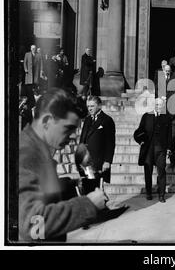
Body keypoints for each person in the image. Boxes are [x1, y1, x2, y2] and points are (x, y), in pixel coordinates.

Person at [19, 88, 108, 241]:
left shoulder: (34, 148)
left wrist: (67, 186)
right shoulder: (28, 154)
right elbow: (32, 225)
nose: (74, 137)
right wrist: (88, 205)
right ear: (47, 121)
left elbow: (36, 192)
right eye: (69, 129)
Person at [133, 98, 172, 202]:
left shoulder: (167, 118)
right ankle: (149, 193)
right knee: (148, 171)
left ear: (163, 106)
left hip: (161, 149)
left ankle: (161, 195)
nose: (157, 106)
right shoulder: (146, 116)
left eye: (159, 105)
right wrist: (140, 141)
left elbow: (170, 135)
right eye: (156, 104)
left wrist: (169, 148)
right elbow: (138, 132)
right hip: (148, 148)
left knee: (162, 172)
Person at [79, 96, 116, 183]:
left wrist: (107, 161)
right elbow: (82, 139)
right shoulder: (87, 120)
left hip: (99, 161)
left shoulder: (107, 120)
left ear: (99, 106)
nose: (89, 109)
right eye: (88, 106)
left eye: (92, 106)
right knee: (87, 188)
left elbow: (110, 143)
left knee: (97, 188)